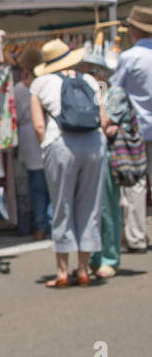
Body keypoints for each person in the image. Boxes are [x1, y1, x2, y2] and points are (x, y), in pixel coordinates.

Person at [30, 40, 109, 288]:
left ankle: (62, 271)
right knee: (90, 207)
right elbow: (103, 119)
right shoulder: (89, 80)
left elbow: (38, 125)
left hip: (60, 144)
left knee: (61, 205)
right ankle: (83, 269)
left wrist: (45, 147)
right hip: (95, 144)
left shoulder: (40, 83)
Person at [111, 5, 152, 252]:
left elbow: (114, 92)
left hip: (136, 130)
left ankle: (137, 237)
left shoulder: (130, 57)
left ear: (135, 31)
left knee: (136, 182)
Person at [78, 53, 122, 279]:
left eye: (91, 72)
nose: (86, 77)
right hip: (89, 153)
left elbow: (106, 123)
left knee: (107, 207)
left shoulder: (113, 94)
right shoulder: (86, 93)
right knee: (90, 209)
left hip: (108, 156)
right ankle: (93, 257)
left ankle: (109, 257)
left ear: (103, 74)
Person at [12, 47, 50, 240]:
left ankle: (40, 226)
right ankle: (47, 224)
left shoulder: (19, 89)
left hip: (29, 138)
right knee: (51, 186)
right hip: (46, 137)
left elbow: (16, 115)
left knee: (36, 188)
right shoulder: (47, 83)